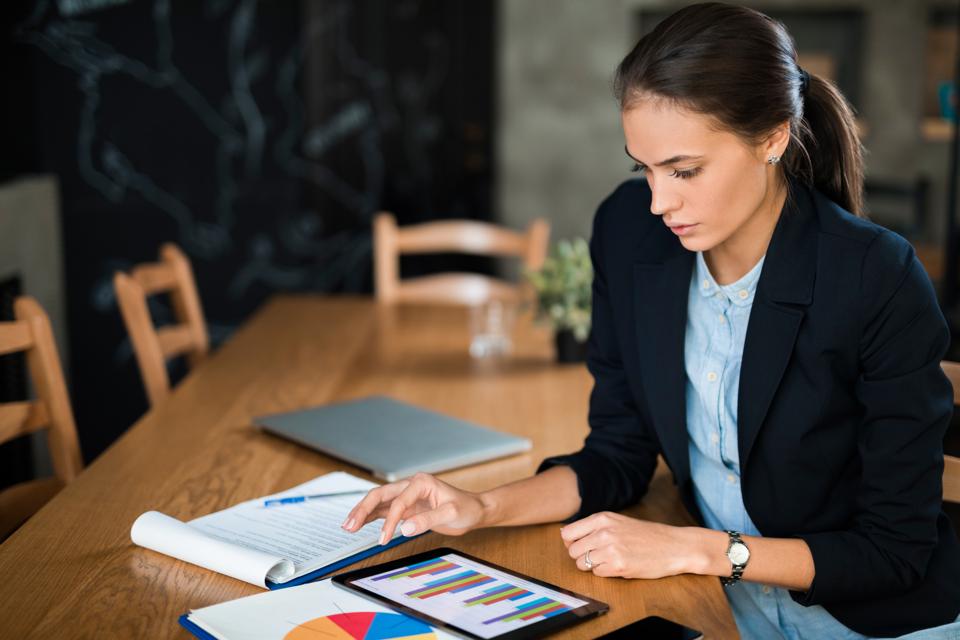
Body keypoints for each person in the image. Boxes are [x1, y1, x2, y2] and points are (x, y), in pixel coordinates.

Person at [343, 4, 960, 638]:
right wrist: (481, 506)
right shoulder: (630, 234)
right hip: (719, 602)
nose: (660, 201)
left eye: (685, 171)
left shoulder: (874, 275)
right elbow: (618, 454)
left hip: (867, 617)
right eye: (645, 168)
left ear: (773, 138)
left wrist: (696, 548)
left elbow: (895, 551)